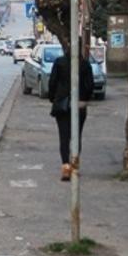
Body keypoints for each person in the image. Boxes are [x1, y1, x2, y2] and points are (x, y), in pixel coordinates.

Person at [47, 44, 94, 182]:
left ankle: (66, 167)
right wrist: (84, 98)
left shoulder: (60, 62)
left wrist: (54, 98)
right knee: (76, 136)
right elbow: (90, 85)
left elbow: (52, 82)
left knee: (64, 136)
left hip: (62, 105)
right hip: (79, 105)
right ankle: (74, 166)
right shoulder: (85, 64)